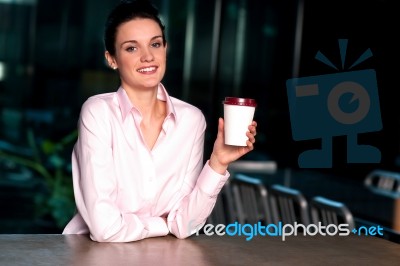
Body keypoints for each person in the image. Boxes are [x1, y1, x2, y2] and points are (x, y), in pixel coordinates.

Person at [62, 0, 257, 242]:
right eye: (131, 48)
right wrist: (164, 224)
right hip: (94, 255)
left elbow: (186, 225)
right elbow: (105, 229)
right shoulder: (98, 113)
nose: (147, 57)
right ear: (112, 59)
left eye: (155, 44)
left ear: (165, 48)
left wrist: (217, 164)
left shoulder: (191, 120)